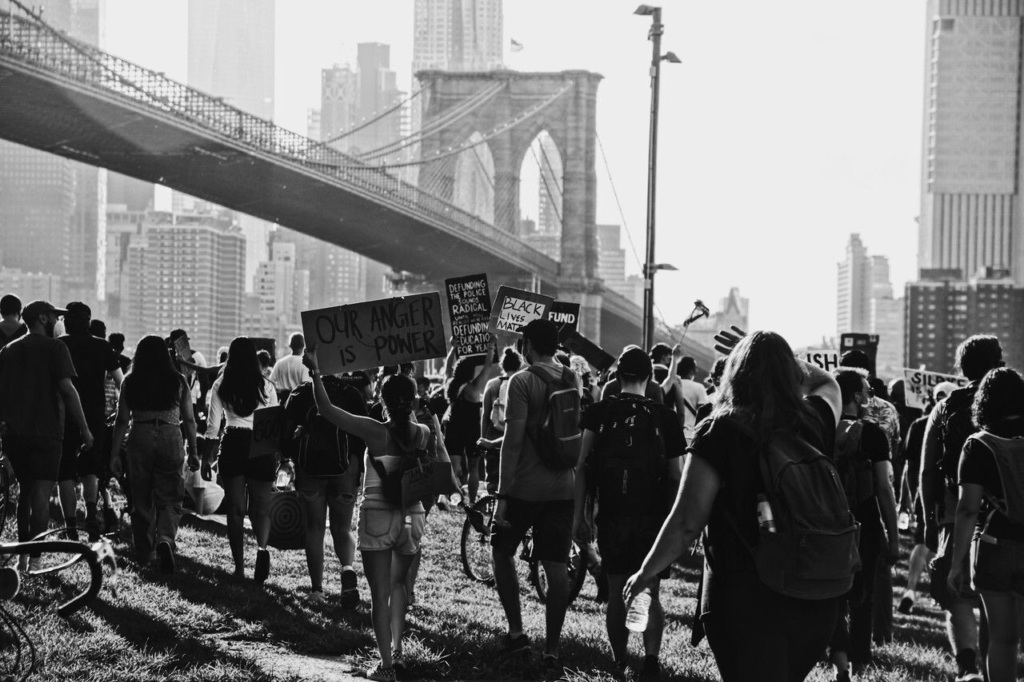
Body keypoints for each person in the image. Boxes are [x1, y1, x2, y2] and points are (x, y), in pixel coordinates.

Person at [624, 330, 844, 682]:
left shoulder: (720, 430)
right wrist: (783, 360)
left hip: (747, 598)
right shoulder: (815, 420)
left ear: (735, 374)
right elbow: (827, 382)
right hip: (816, 594)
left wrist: (646, 572)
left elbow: (687, 522)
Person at [304, 351, 455, 682]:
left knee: (379, 593)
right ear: (413, 399)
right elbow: (443, 470)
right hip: (411, 517)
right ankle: (398, 652)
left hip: (377, 514)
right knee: (399, 585)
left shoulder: (374, 431)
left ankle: (385, 666)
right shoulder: (425, 434)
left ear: (383, 400)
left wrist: (316, 373)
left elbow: (326, 410)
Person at [573, 345, 684, 681]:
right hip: (653, 519)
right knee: (650, 588)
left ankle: (620, 660)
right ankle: (650, 659)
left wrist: (580, 516)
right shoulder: (665, 417)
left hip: (612, 514)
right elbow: (677, 474)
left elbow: (581, 466)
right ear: (651, 377)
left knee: (618, 585)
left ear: (617, 376)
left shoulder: (599, 412)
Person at [492, 319, 581, 675]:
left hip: (525, 489)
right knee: (556, 567)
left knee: (501, 552)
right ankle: (553, 650)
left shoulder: (522, 381)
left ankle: (517, 633)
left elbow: (513, 441)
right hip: (563, 488)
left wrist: (501, 494)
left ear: (528, 344)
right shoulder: (570, 378)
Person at [921, 335, 1003, 682]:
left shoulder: (945, 407)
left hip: (956, 512)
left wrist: (928, 520)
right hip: (1005, 514)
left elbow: (927, 469)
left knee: (958, 595)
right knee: (995, 597)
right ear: (998, 363)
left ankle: (967, 666)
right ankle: (989, 669)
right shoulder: (1015, 400)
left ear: (962, 367)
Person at [0, 301, 92, 572]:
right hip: (48, 432)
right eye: (54, 316)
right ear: (42, 318)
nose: (57, 321)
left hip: (15, 434)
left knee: (25, 493)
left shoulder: (8, 350)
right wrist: (85, 429)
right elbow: (67, 390)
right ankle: (36, 559)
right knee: (40, 495)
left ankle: (22, 557)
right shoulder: (56, 348)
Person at [946, 367, 1024, 682]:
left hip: (995, 546)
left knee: (1003, 639)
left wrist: (956, 564)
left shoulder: (977, 444)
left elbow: (967, 509)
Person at [828, 369, 900, 680]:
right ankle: (859, 667)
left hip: (828, 519)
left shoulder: (819, 429)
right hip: (865, 520)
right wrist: (893, 536)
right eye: (867, 389)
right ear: (857, 396)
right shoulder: (873, 434)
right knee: (863, 596)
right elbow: (884, 487)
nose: (870, 393)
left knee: (832, 595)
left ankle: (840, 662)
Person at [109, 335, 199, 572]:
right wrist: (194, 451)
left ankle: (147, 552)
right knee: (171, 496)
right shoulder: (178, 381)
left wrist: (114, 454)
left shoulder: (130, 381)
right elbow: (189, 419)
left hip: (140, 436)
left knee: (141, 497)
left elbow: (121, 421)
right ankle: (166, 540)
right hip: (171, 436)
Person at [281, 373, 367, 606]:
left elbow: (285, 435)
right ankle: (347, 569)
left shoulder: (301, 393)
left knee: (315, 528)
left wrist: (291, 452)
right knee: (342, 528)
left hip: (310, 471)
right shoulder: (351, 394)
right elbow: (363, 434)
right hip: (346, 470)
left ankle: (317, 590)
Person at [202, 337, 280, 583]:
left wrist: (206, 458)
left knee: (235, 510)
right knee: (261, 508)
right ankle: (262, 550)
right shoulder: (266, 385)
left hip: (233, 442)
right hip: (260, 444)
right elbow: (273, 421)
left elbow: (213, 427)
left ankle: (238, 567)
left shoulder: (221, 384)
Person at [57, 302, 124, 541]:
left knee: (64, 472)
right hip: (95, 417)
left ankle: (71, 527)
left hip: (63, 417)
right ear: (88, 321)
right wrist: (120, 411)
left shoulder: (60, 345)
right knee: (90, 470)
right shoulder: (102, 346)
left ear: (66, 321)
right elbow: (121, 382)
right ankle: (92, 515)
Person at [444, 349, 498, 504]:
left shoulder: (450, 385)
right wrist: (491, 345)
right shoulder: (473, 389)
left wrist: (453, 348)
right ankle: (472, 502)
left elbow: (448, 368)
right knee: (473, 468)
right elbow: (487, 366)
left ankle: (449, 500)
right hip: (471, 431)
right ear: (470, 372)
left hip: (453, 428)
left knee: (453, 467)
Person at [478, 347, 524, 494]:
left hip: (493, 434)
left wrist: (483, 438)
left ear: (502, 365)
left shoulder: (493, 384)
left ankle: (491, 506)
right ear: (519, 365)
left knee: (493, 477)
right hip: (514, 434)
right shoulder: (522, 382)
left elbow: (485, 414)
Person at [665, 356, 710, 444]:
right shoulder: (699, 387)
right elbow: (704, 413)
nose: (696, 371)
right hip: (689, 435)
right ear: (691, 371)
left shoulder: (670, 385)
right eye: (695, 369)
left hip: (670, 432)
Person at [270, 333, 311, 403]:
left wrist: (279, 391)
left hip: (282, 402)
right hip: (298, 402)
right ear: (303, 346)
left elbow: (270, 382)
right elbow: (307, 385)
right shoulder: (306, 364)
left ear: (290, 345)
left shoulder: (280, 363)